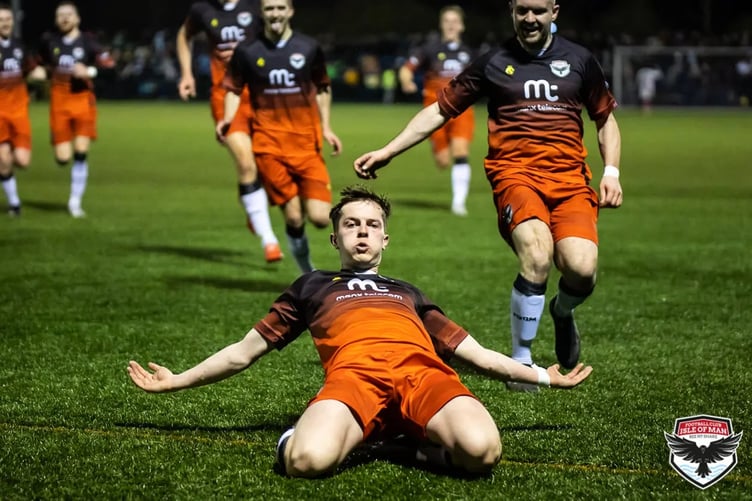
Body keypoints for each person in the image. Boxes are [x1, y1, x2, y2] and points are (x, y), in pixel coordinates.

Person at [127, 185, 593, 478]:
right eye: (351, 225)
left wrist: (547, 378)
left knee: (483, 453)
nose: (363, 233)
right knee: (306, 463)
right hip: (354, 381)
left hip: (423, 377)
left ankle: (405, 447)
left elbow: (479, 355)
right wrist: (177, 380)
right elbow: (244, 352)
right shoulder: (311, 286)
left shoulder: (407, 291)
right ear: (335, 238)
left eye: (373, 225)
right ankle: (298, 435)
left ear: (386, 238)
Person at [354, 0, 623, 385]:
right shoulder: (493, 61)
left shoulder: (580, 60)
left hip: (569, 182)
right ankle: (521, 362)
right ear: (512, 11)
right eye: (522, 11)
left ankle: (562, 312)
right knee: (536, 253)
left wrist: (611, 171)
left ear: (554, 12)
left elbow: (604, 119)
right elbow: (439, 110)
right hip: (515, 175)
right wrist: (387, 150)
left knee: (581, 270)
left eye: (538, 11)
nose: (530, 19)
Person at [216, 0, 342, 274]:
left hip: (306, 144)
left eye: (280, 8)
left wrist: (327, 127)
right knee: (295, 217)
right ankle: (307, 273)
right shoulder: (247, 51)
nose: (275, 14)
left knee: (321, 217)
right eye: (270, 8)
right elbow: (234, 89)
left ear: (291, 11)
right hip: (268, 145)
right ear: (262, 13)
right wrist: (227, 119)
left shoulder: (309, 47)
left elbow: (322, 87)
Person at [176, 0, 283, 263]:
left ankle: (252, 204)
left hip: (261, 94)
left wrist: (246, 52)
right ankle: (270, 241)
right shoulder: (202, 9)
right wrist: (187, 74)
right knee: (246, 164)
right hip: (224, 95)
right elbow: (183, 35)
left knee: (268, 166)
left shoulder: (257, 6)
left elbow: (278, 39)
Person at [38, 1, 114, 218]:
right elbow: (39, 64)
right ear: (56, 19)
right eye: (60, 15)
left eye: (69, 14)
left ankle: (75, 202)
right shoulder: (48, 40)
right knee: (63, 158)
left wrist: (89, 70)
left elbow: (109, 66)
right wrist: (39, 74)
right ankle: (69, 178)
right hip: (59, 102)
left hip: (82, 101)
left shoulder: (89, 42)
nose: (65, 18)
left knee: (81, 150)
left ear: (77, 18)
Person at [398, 5, 476, 216]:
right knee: (443, 160)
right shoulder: (429, 49)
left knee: (461, 151)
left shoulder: (470, 53)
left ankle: (459, 203)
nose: (451, 25)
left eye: (454, 21)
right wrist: (406, 82)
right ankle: (443, 156)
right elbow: (406, 69)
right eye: (447, 21)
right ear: (442, 24)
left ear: (461, 25)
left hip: (462, 109)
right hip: (435, 111)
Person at [0, 3, 44, 216]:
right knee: (3, 159)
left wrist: (38, 74)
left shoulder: (19, 46)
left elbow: (31, 69)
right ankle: (14, 204)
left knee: (22, 161)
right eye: (1, 20)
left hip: (18, 112)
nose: (5, 23)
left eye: (8, 19)